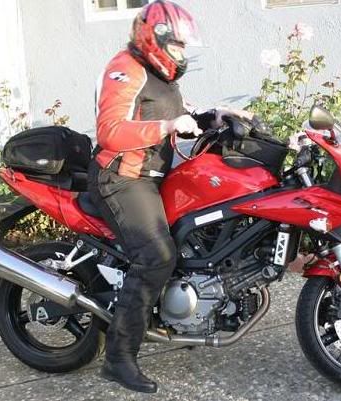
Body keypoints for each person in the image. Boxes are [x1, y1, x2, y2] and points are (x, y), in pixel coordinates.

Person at [87, 0, 253, 394]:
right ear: (155, 39)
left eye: (183, 46)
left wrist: (214, 115)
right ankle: (118, 359)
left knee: (195, 234)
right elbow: (110, 130)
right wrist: (167, 126)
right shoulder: (125, 68)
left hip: (154, 177)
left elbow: (176, 111)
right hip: (122, 179)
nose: (181, 53)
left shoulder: (161, 75)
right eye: (177, 45)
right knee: (156, 256)